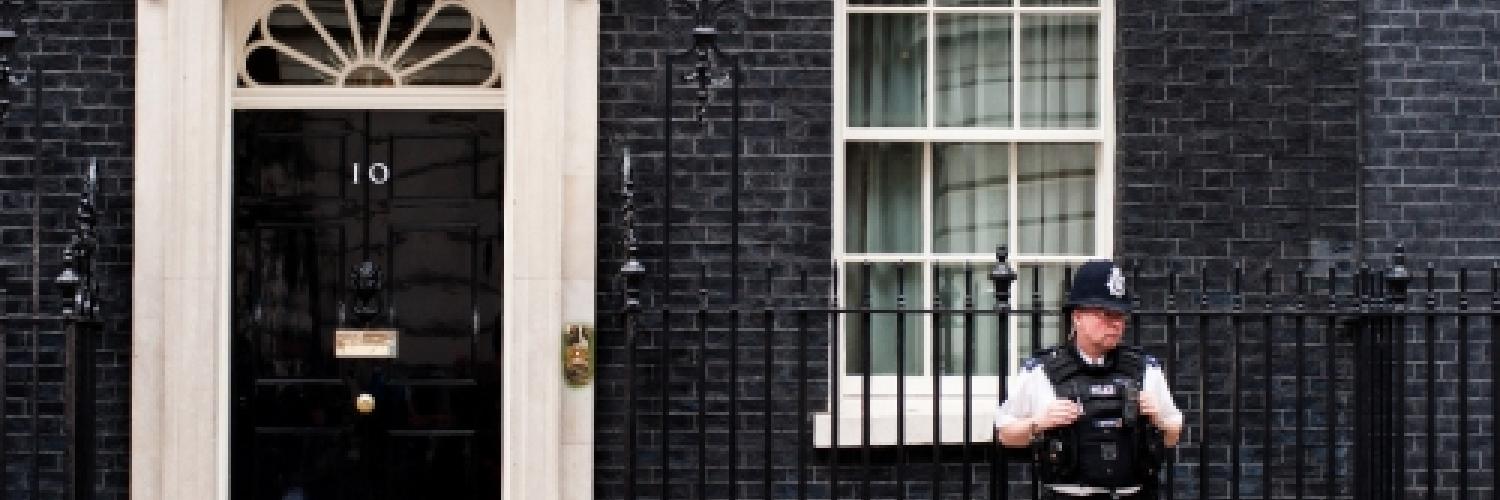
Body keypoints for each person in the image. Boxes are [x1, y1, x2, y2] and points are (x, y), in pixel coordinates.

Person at [994, 260, 1183, 499]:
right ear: (1078, 316)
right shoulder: (1042, 371)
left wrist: (1159, 420)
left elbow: (1173, 434)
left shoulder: (1145, 369)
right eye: (1105, 314)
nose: (1116, 324)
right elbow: (1005, 435)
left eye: (1120, 315)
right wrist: (1038, 423)